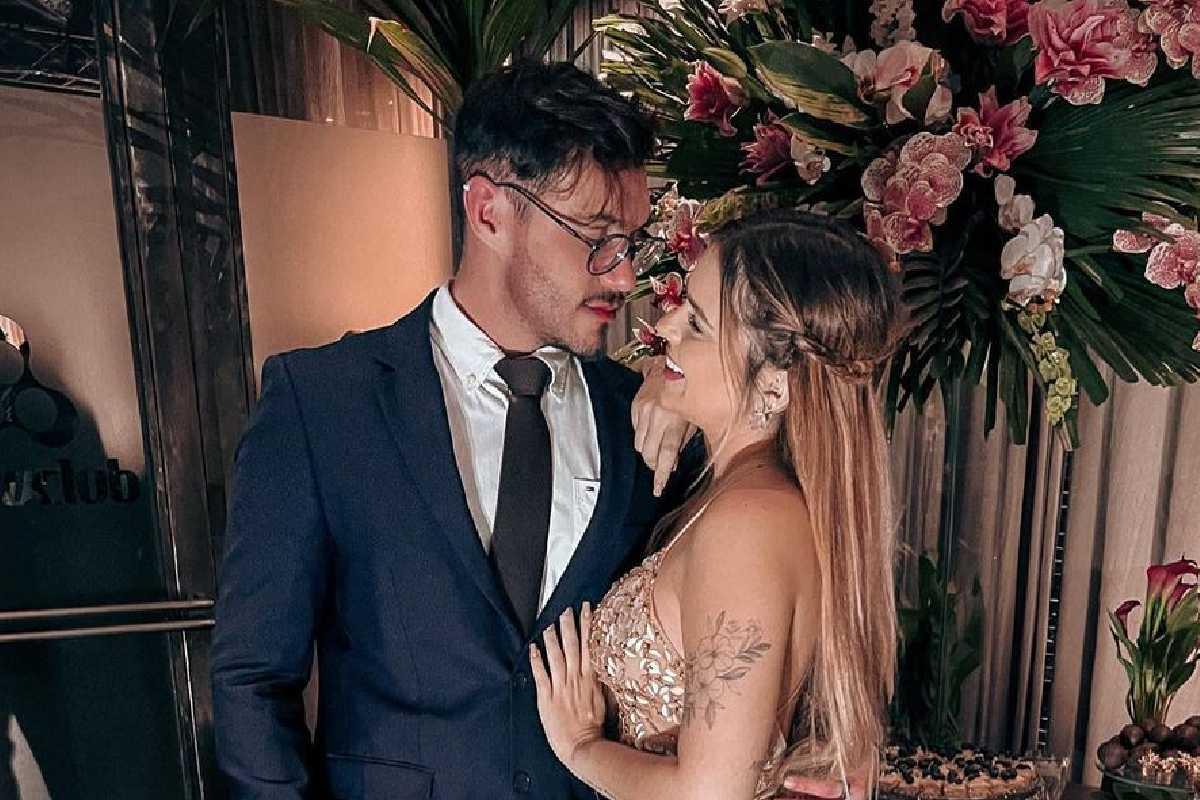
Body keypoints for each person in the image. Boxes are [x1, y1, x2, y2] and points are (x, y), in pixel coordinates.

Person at [211, 58, 859, 799]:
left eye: (631, 242)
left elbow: (749, 625)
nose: (624, 276)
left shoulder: (652, 423)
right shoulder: (323, 403)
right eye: (596, 236)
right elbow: (252, 682)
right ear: (489, 211)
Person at [530, 209, 901, 800]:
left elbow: (710, 793)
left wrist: (581, 747)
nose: (665, 326)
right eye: (681, 305)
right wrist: (665, 387)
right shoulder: (738, 493)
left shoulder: (749, 523)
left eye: (696, 323)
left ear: (775, 383)